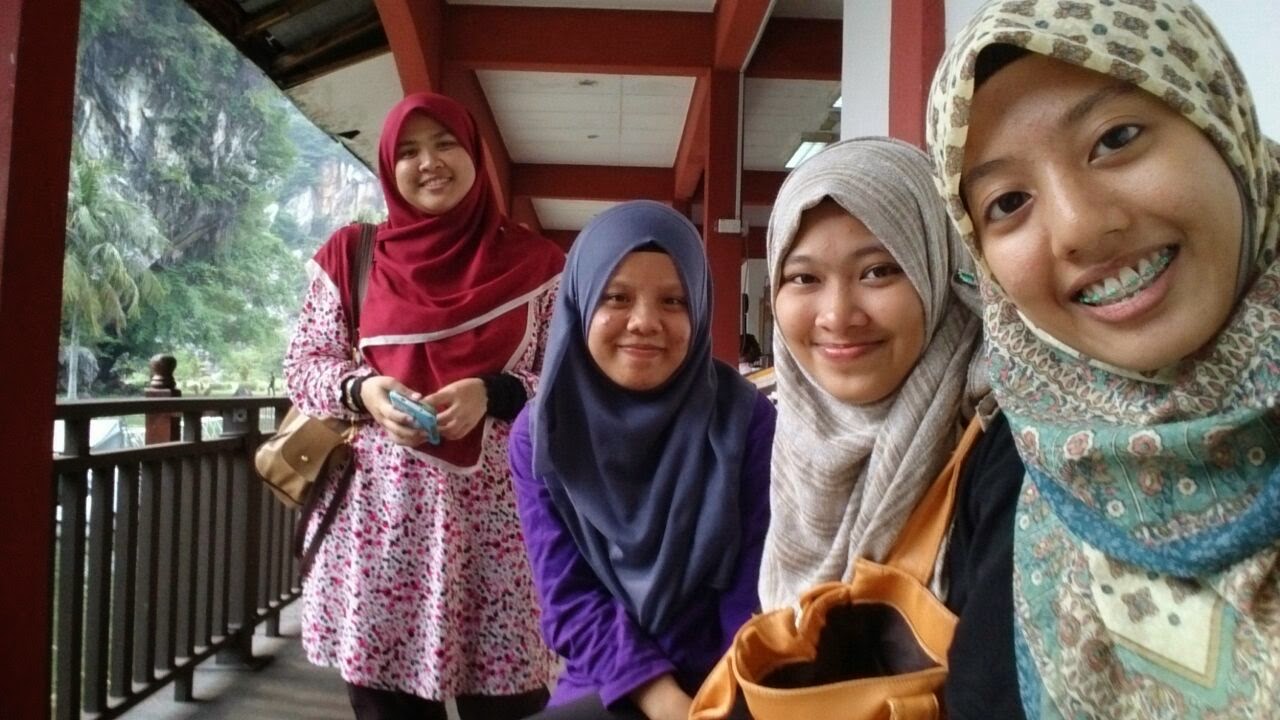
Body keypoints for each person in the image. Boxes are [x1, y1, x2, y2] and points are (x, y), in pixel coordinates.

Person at [927, 0, 1280, 716]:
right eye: (1008, 202)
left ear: (1221, 120)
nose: (1080, 227)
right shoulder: (1016, 460)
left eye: (1115, 139)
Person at [282, 92, 564, 720]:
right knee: (389, 708)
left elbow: (570, 380)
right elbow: (304, 366)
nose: (428, 162)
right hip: (378, 533)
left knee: (512, 704)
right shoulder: (353, 256)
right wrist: (365, 390)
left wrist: (494, 392)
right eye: (408, 151)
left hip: (503, 539)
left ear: (475, 156)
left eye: (445, 144)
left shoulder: (539, 266)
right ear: (389, 167)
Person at [757, 137, 1025, 718]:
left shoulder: (1009, 450)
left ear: (938, 267)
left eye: (879, 271)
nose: (837, 316)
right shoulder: (790, 436)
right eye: (803, 278)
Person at [508, 200, 776, 720]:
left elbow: (755, 587)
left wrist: (724, 701)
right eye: (617, 297)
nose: (644, 322)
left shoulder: (745, 419)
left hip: (733, 675)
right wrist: (664, 701)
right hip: (612, 675)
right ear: (581, 302)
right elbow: (569, 599)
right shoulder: (543, 431)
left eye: (674, 300)